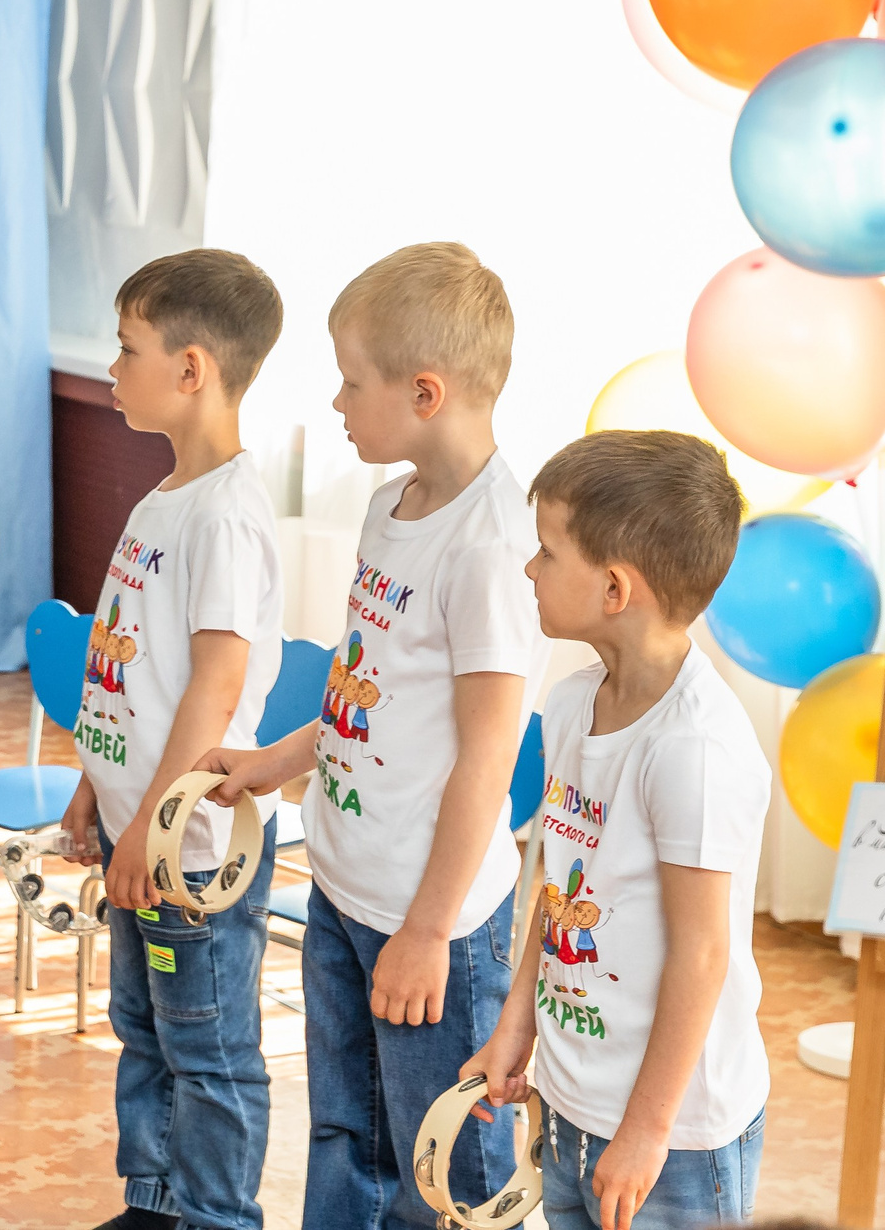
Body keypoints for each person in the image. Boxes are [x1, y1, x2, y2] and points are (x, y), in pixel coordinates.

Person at [200, 244, 540, 1230]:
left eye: (352, 381)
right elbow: (369, 690)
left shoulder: (490, 544)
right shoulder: (392, 505)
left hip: (429, 921)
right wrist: (273, 761)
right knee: (348, 1133)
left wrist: (427, 930)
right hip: (346, 887)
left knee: (444, 1166)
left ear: (424, 392)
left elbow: (488, 755)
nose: (337, 402)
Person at [462, 430, 767, 1230]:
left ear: (613, 588)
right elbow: (561, 890)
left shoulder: (693, 748)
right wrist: (516, 1027)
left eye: (548, 552)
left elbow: (702, 954)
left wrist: (646, 1130)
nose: (529, 569)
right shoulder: (571, 704)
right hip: (572, 1100)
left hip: (674, 1140)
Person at [62, 247, 286, 1230]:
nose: (111, 368)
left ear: (190, 368)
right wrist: (95, 787)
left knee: (206, 1046)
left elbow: (215, 682)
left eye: (126, 349)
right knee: (144, 1030)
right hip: (139, 829)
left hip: (187, 848)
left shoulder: (226, 514)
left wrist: (151, 822)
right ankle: (155, 1204)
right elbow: (132, 670)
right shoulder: (165, 499)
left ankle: (216, 1216)